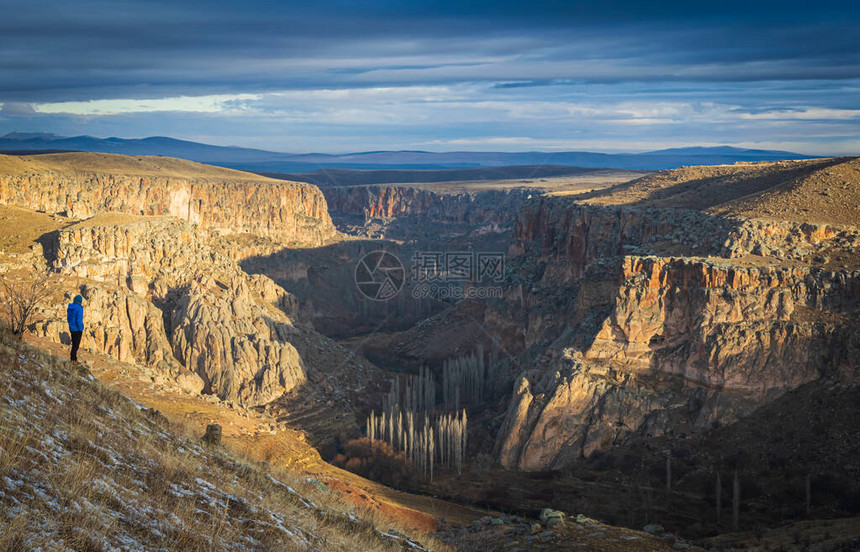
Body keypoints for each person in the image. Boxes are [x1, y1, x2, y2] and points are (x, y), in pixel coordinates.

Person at [67, 294, 84, 362]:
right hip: (77, 329)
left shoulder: (70, 308)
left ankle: (73, 358)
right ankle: (73, 359)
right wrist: (81, 328)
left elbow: (68, 318)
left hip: (72, 328)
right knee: (76, 345)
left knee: (74, 344)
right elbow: (79, 319)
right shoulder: (79, 308)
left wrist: (71, 325)